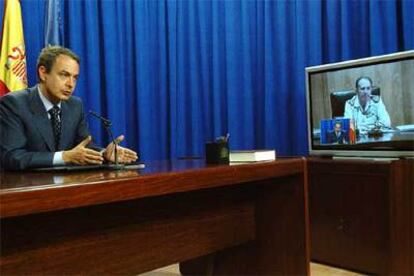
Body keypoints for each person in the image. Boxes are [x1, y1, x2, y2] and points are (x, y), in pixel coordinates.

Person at [0, 46, 138, 170]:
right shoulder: (14, 104)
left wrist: (104, 154)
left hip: (68, 189)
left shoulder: (75, 105)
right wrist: (64, 157)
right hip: (27, 190)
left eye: (75, 77)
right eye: (64, 75)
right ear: (43, 73)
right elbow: (12, 157)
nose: (71, 84)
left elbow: (83, 147)